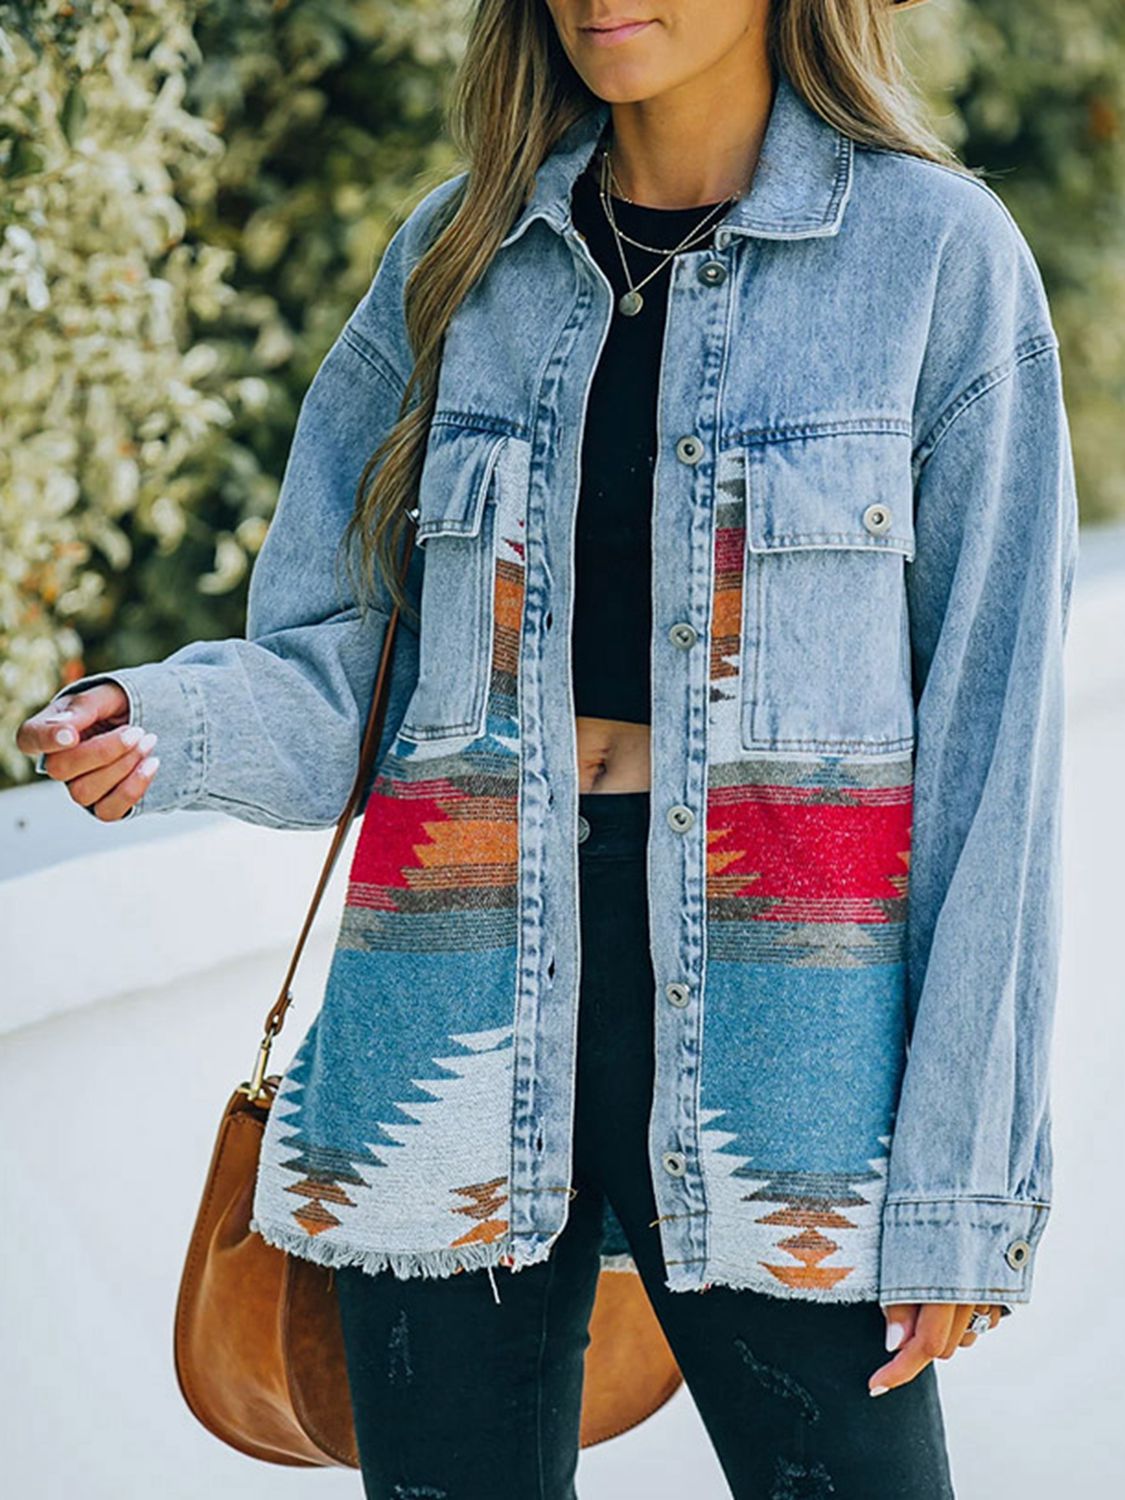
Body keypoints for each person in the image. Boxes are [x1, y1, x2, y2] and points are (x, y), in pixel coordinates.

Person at [17, 2, 1079, 1496]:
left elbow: (994, 768)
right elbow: (346, 668)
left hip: (789, 1067)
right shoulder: (459, 254)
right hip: (440, 1024)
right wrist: (169, 722)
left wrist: (965, 1188)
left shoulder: (931, 261)